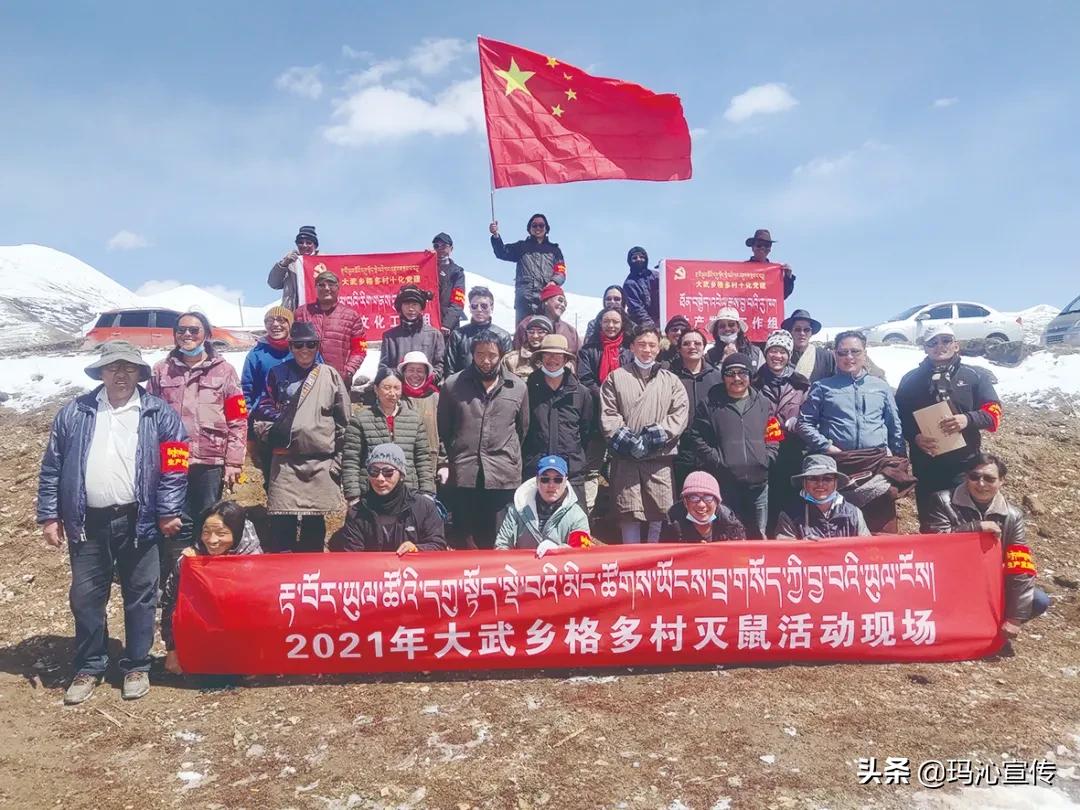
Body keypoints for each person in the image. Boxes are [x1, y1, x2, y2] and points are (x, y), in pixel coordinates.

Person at [37, 341, 187, 704]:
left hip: (141, 518)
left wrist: (168, 510)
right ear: (100, 372)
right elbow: (52, 467)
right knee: (86, 597)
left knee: (141, 595)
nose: (120, 375)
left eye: (128, 368)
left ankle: (136, 664)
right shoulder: (75, 412)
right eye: (112, 368)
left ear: (139, 373)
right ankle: (89, 665)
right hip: (87, 522)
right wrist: (49, 514)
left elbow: (176, 466)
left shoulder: (160, 413)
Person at [149, 311, 247, 586]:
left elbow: (237, 417)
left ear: (206, 334)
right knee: (174, 522)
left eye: (194, 330)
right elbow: (149, 418)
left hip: (211, 457)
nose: (187, 335)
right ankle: (175, 583)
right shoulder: (161, 370)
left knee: (209, 522)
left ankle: (208, 581)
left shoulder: (224, 371)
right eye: (182, 330)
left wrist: (234, 461)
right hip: (172, 459)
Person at [926, 454, 1050, 642]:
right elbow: (933, 543)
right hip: (948, 581)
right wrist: (975, 528)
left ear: (1002, 481)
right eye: (975, 477)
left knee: (1038, 600)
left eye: (989, 479)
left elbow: (1019, 565)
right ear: (966, 477)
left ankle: (991, 628)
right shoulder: (942, 501)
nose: (981, 484)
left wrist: (1014, 618)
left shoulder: (1013, 515)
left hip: (990, 583)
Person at [796, 331, 910, 533]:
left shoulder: (881, 387)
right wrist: (826, 446)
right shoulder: (822, 387)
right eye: (843, 353)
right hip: (840, 465)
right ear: (835, 355)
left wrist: (899, 458)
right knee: (841, 528)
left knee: (882, 531)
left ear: (865, 353)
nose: (849, 357)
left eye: (855, 351)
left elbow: (895, 426)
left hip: (877, 465)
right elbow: (804, 424)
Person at [895, 324, 1003, 532]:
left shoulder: (975, 375)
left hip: (966, 465)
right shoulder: (910, 380)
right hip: (926, 464)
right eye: (933, 343)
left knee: (967, 521)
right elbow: (899, 419)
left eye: (945, 341)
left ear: (956, 345)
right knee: (930, 523)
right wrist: (915, 436)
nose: (939, 346)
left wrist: (967, 419)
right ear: (925, 348)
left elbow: (994, 413)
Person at [253, 322, 350, 552]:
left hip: (319, 462)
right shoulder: (277, 374)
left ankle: (309, 581)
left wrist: (339, 460)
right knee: (281, 526)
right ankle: (283, 580)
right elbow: (262, 408)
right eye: (298, 345)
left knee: (313, 527)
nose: (304, 349)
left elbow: (344, 421)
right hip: (285, 462)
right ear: (291, 346)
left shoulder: (330, 375)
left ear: (317, 347)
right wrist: (283, 427)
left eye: (310, 344)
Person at [438, 330, 529, 549]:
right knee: (467, 541)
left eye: (492, 355)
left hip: (502, 475)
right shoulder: (453, 385)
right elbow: (444, 428)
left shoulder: (517, 387)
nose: (486, 361)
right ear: (472, 355)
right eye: (479, 355)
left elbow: (522, 429)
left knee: (500, 540)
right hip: (465, 473)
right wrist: (447, 460)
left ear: (501, 355)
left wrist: (508, 456)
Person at [601, 324, 689, 543]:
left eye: (652, 345)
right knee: (628, 511)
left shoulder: (671, 380)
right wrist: (631, 443)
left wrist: (651, 439)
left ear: (659, 348)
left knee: (660, 512)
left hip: (658, 459)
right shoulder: (616, 377)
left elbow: (679, 415)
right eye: (641, 344)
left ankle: (654, 560)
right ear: (631, 347)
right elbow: (609, 415)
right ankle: (631, 559)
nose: (647, 350)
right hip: (626, 459)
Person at [160, 500, 262, 675]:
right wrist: (172, 649)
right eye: (206, 532)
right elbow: (170, 604)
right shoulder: (190, 561)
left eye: (221, 533)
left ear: (237, 535)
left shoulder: (255, 564)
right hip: (203, 647)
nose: (212, 540)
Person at [685, 353, 780, 539]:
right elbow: (695, 436)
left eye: (742, 373)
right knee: (729, 534)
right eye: (730, 373)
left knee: (759, 533)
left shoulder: (763, 403)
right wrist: (717, 461)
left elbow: (774, 434)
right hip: (725, 484)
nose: (737, 378)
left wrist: (768, 457)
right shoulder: (710, 404)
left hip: (759, 483)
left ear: (750, 376)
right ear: (723, 377)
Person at [329, 444, 448, 553]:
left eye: (388, 472)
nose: (380, 478)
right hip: (371, 574)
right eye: (374, 471)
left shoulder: (423, 507)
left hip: (413, 573)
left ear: (401, 475)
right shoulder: (357, 513)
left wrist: (417, 549)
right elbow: (352, 558)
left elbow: (438, 545)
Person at [342, 367, 434, 503]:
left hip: (408, 491)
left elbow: (423, 458)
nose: (392, 393)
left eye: (397, 388)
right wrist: (353, 496)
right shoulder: (360, 420)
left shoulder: (414, 419)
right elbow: (351, 460)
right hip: (370, 491)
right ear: (376, 389)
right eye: (387, 387)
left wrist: (427, 492)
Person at [523, 335, 593, 507]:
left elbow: (587, 431)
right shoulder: (527, 390)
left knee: (576, 528)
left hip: (571, 472)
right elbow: (521, 429)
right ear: (540, 358)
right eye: (547, 354)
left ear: (566, 359)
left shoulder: (581, 393)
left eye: (558, 355)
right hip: (535, 471)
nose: (552, 359)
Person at [753, 329, 811, 532]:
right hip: (762, 450)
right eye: (773, 351)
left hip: (792, 451)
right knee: (766, 502)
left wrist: (799, 421)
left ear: (789, 355)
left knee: (791, 501)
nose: (777, 356)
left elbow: (809, 413)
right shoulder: (754, 381)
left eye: (782, 352)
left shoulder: (801, 383)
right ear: (767, 353)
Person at [577, 307, 633, 515]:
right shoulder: (588, 350)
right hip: (595, 417)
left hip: (623, 417)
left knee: (621, 466)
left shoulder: (628, 351)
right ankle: (587, 513)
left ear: (622, 325)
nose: (611, 326)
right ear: (600, 323)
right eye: (606, 321)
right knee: (592, 468)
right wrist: (607, 395)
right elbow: (584, 379)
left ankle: (620, 512)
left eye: (615, 322)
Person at [242, 306, 295, 489]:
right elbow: (246, 391)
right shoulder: (256, 355)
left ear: (291, 324)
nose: (275, 324)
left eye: (281, 320)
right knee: (272, 476)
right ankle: (276, 515)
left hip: (300, 424)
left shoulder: (303, 348)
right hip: (266, 426)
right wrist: (248, 430)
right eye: (269, 321)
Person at [496, 456, 591, 551]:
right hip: (524, 565)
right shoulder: (516, 510)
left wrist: (558, 550)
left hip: (561, 565)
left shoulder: (577, 515)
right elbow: (501, 546)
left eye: (558, 480)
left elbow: (582, 553)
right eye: (545, 479)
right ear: (537, 480)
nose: (551, 485)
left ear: (565, 481)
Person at [293, 269, 367, 390]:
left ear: (338, 288)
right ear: (316, 288)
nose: (326, 288)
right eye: (321, 285)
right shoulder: (301, 313)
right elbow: (292, 345)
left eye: (331, 284)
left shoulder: (351, 316)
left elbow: (360, 348)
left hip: (338, 381)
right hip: (305, 380)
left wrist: (348, 371)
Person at [490, 213, 566, 327]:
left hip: (546, 300)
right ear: (529, 229)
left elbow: (561, 271)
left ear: (546, 228)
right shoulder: (521, 247)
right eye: (534, 225)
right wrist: (495, 235)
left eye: (541, 225)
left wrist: (554, 282)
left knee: (547, 332)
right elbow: (501, 252)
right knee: (523, 334)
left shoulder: (555, 250)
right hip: (525, 300)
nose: (538, 228)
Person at [668, 328, 722, 489]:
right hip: (680, 450)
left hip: (710, 449)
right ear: (679, 349)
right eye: (686, 343)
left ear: (704, 347)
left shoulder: (717, 377)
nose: (692, 347)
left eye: (697, 343)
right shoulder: (669, 376)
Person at [774, 455, 871, 539]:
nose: (820, 484)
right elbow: (784, 552)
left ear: (835, 483)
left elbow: (867, 549)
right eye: (813, 478)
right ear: (804, 482)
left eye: (827, 479)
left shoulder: (854, 514)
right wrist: (801, 547)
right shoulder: (789, 516)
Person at [379, 283, 446, 382]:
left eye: (415, 304)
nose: (411, 309)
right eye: (406, 304)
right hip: (398, 392)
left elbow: (441, 366)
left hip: (428, 391)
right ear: (400, 307)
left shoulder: (435, 335)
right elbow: (383, 367)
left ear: (421, 307)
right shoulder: (390, 337)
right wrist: (403, 377)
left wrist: (424, 380)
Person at [445, 286, 513, 376]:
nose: (479, 310)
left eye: (484, 306)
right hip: (462, 386)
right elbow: (449, 369)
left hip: (494, 387)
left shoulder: (503, 336)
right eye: (474, 306)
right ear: (469, 308)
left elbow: (508, 369)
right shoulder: (458, 335)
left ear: (492, 307)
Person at [398, 351, 442, 482]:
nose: (415, 375)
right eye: (411, 370)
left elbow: (446, 432)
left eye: (420, 371)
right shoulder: (396, 396)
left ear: (426, 373)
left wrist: (443, 463)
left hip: (430, 465)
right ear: (404, 372)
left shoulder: (436, 397)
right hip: (401, 466)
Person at [665, 471, 747, 542]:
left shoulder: (730, 524)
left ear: (717, 502)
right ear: (685, 502)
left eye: (708, 498)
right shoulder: (672, 524)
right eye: (694, 498)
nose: (701, 505)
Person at [513, 283, 581, 354]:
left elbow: (579, 359)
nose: (563, 305)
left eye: (565, 304)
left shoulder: (571, 331)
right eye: (560, 300)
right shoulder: (526, 324)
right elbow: (516, 352)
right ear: (546, 301)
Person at [267, 225, 318, 311]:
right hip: (292, 313)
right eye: (301, 242)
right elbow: (273, 283)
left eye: (309, 243)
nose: (304, 246)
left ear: (315, 246)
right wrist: (283, 264)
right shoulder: (290, 263)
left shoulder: (323, 264)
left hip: (316, 312)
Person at [782, 309, 835, 383]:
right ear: (790, 332)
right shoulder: (782, 356)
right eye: (797, 329)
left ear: (811, 333)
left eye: (806, 330)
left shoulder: (825, 356)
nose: (802, 333)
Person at [705, 307, 763, 371]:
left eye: (731, 324)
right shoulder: (710, 356)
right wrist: (724, 360)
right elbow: (710, 379)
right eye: (722, 326)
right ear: (717, 330)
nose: (727, 329)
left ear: (738, 328)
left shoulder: (755, 353)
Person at [745, 229, 795, 299]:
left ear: (770, 249)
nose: (762, 248)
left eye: (766, 245)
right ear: (753, 247)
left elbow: (782, 295)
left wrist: (788, 277)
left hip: (767, 308)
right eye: (759, 245)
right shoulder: (742, 270)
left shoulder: (776, 273)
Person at [432, 232, 466, 337]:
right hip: (428, 324)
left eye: (444, 246)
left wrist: (447, 324)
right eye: (436, 246)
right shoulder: (426, 268)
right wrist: (423, 258)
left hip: (449, 327)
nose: (440, 248)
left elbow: (458, 301)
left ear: (451, 248)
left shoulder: (457, 272)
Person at [504, 315, 554, 379]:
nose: (535, 336)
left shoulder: (558, 358)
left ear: (549, 334)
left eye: (540, 332)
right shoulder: (512, 359)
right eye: (531, 332)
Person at [623, 246, 659, 326]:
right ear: (630, 261)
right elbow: (637, 309)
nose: (638, 259)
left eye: (642, 257)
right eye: (635, 258)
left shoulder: (657, 276)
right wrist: (652, 326)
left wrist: (665, 270)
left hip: (663, 322)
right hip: (642, 325)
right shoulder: (629, 284)